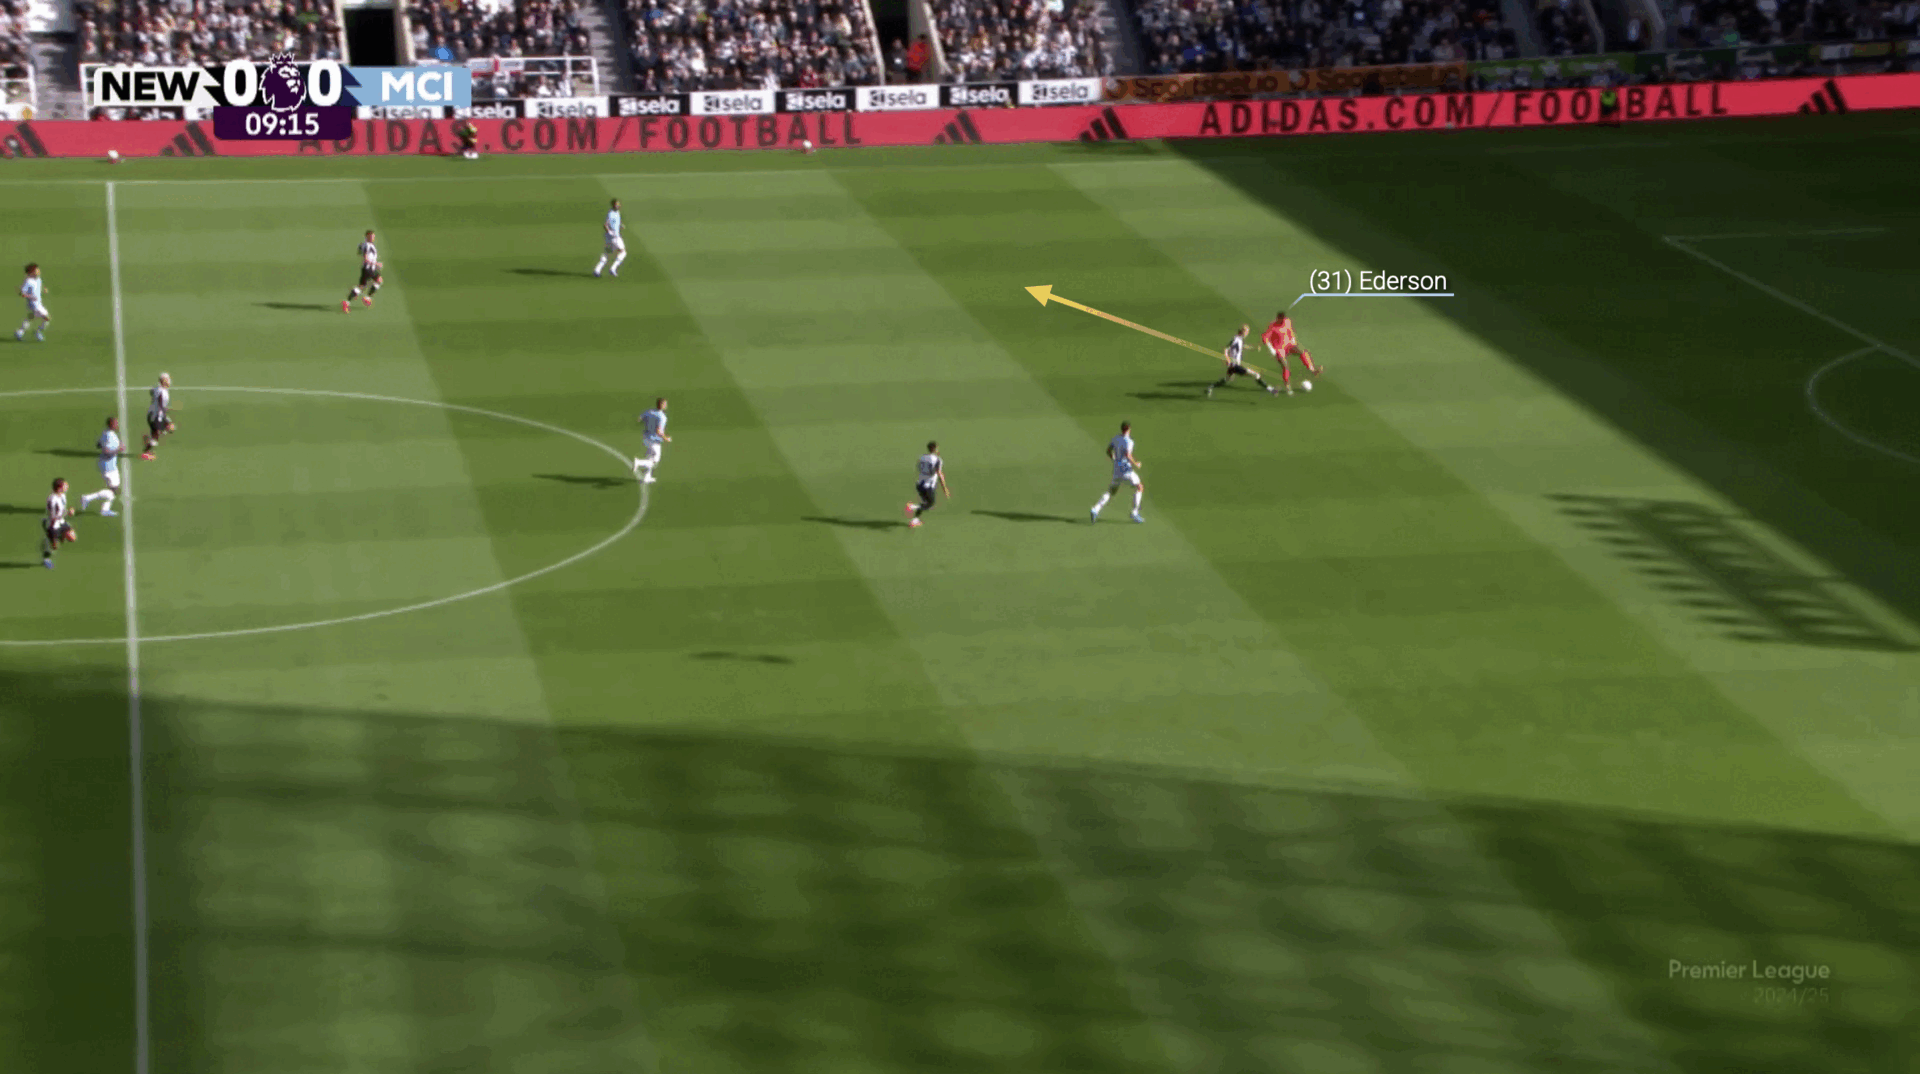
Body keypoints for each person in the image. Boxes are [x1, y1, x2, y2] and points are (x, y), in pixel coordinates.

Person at [1090, 421, 1144, 524]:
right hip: (1126, 470)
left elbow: (1108, 451)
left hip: (1117, 470)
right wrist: (1136, 463)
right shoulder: (1129, 441)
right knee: (1140, 487)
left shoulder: (1115, 438)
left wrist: (1114, 459)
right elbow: (1128, 455)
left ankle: (1095, 509)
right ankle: (1134, 513)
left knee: (1111, 492)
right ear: (1129, 429)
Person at [1207, 324, 1280, 398]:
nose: (1247, 334)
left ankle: (1210, 387)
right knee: (1256, 375)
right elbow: (1225, 349)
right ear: (1242, 331)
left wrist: (1253, 348)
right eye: (1247, 332)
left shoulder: (1240, 339)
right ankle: (1272, 390)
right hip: (1235, 366)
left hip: (1233, 366)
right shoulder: (1235, 339)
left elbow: (1243, 346)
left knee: (1226, 379)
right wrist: (1227, 359)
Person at [1261, 310, 1321, 394]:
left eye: (1283, 319)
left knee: (1302, 351)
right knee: (1285, 365)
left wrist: (1293, 339)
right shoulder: (1272, 326)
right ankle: (1288, 387)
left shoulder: (1287, 321)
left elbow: (1290, 330)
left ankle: (1312, 370)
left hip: (1288, 345)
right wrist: (1271, 349)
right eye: (1281, 319)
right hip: (1279, 349)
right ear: (1277, 318)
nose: (1282, 321)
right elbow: (1265, 337)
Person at [76, 416, 126, 517]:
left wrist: (115, 445)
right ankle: (87, 498)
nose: (117, 425)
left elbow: (98, 444)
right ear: (111, 424)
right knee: (113, 490)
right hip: (109, 466)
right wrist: (118, 449)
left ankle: (104, 509)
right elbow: (106, 452)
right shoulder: (110, 436)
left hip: (106, 464)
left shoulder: (105, 433)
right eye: (116, 423)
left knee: (113, 489)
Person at [905, 441, 951, 528]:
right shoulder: (937, 460)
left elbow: (918, 468)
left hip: (919, 484)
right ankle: (912, 506)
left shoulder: (922, 457)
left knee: (924, 503)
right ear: (935, 449)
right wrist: (945, 489)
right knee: (930, 504)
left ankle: (914, 520)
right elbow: (939, 474)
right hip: (928, 486)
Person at [632, 397, 670, 484]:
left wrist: (648, 423)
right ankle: (638, 462)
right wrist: (666, 438)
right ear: (662, 405)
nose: (666, 405)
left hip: (646, 438)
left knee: (649, 457)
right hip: (654, 441)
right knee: (655, 461)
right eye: (665, 404)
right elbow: (659, 431)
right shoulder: (662, 417)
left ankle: (647, 477)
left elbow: (639, 419)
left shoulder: (649, 412)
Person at [343, 230, 382, 313]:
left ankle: (347, 302)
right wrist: (376, 263)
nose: (373, 238)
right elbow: (366, 259)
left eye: (373, 236)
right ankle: (365, 298)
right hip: (369, 269)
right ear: (367, 237)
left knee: (363, 286)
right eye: (371, 236)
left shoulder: (367, 245)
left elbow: (360, 252)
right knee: (374, 282)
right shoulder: (367, 245)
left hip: (370, 268)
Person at [42, 478, 75, 569]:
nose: (67, 486)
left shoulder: (63, 496)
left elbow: (62, 510)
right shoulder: (52, 499)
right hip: (52, 524)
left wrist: (67, 512)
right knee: (54, 547)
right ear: (59, 488)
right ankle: (46, 558)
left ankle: (53, 539)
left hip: (61, 521)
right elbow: (53, 516)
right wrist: (68, 513)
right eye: (65, 485)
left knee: (72, 538)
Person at [142, 372, 173, 459]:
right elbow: (161, 406)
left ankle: (148, 445)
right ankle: (146, 451)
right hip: (156, 416)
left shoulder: (157, 388)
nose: (169, 381)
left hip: (153, 414)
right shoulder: (162, 392)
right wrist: (166, 418)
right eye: (167, 380)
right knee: (157, 435)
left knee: (160, 432)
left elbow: (151, 392)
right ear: (163, 381)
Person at [593, 198, 626, 278]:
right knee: (623, 252)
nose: (618, 206)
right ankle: (613, 268)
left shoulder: (617, 212)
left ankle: (597, 270)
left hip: (609, 238)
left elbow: (616, 222)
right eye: (616, 204)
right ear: (613, 205)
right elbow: (605, 225)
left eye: (618, 204)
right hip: (614, 237)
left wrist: (620, 225)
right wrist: (610, 232)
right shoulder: (610, 214)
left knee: (607, 253)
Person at [16, 262, 49, 342]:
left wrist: (43, 290)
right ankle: (38, 332)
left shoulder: (38, 279)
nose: (39, 271)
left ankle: (20, 332)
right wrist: (31, 297)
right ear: (31, 272)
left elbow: (37, 288)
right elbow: (22, 293)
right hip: (33, 304)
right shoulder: (28, 281)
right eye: (37, 270)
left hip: (38, 303)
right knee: (47, 318)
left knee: (31, 317)